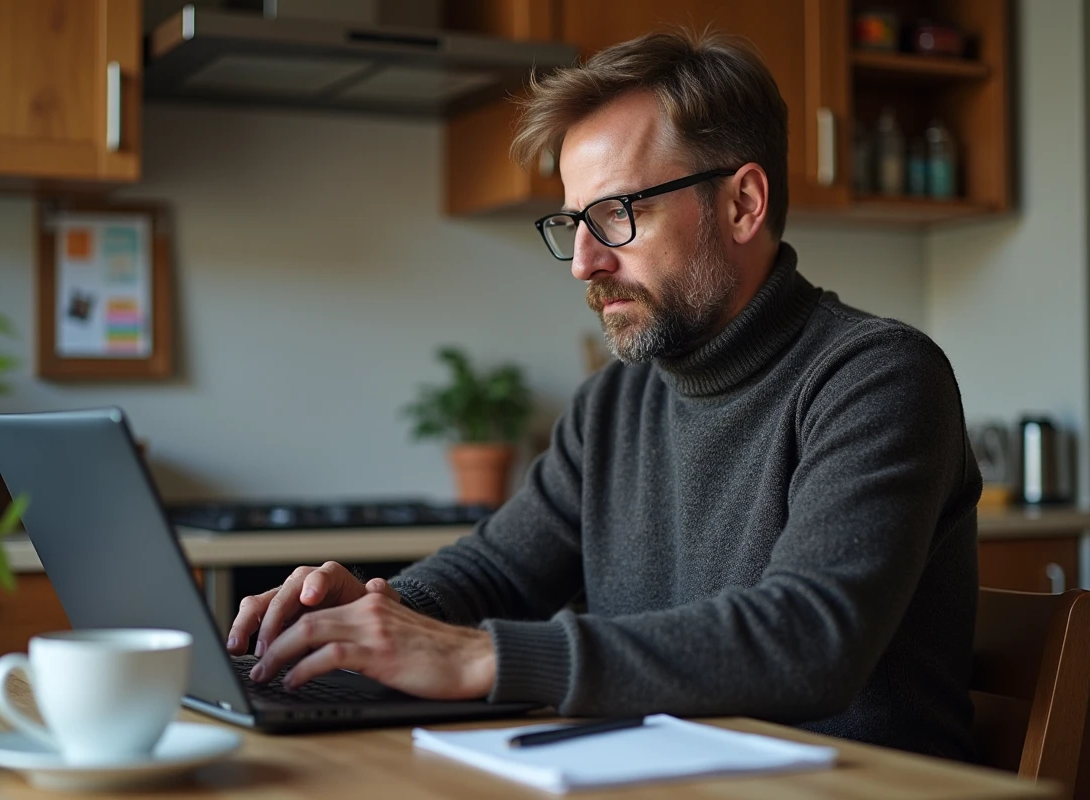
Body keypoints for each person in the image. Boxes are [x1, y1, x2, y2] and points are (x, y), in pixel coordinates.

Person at [227, 29, 981, 761]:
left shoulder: (876, 376)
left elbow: (812, 639)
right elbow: (499, 571)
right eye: (571, 222)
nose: (583, 262)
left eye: (618, 214)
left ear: (742, 203)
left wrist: (480, 658)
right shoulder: (613, 405)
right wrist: (377, 614)